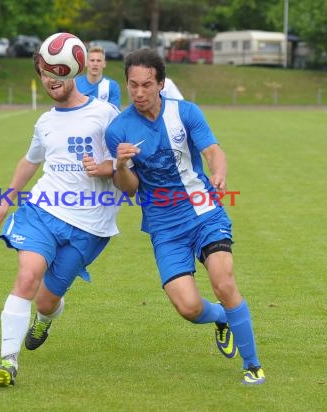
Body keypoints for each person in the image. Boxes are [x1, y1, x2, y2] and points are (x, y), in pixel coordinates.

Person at [104, 48, 265, 385]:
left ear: (161, 83)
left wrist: (219, 173)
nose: (138, 92)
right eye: (132, 85)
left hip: (203, 209)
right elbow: (130, 189)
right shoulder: (118, 129)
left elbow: (213, 151)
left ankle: (252, 365)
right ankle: (222, 319)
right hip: (164, 225)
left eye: (146, 84)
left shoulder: (186, 113)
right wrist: (119, 164)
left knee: (223, 281)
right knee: (188, 308)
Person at [0, 45, 120, 387]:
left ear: (72, 70)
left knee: (47, 299)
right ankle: (8, 362)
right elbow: (30, 161)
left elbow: (130, 161)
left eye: (56, 71)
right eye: (44, 73)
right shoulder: (45, 121)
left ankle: (45, 318)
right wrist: (4, 200)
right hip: (43, 210)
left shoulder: (106, 114)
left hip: (89, 224)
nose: (49, 79)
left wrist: (107, 167)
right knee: (28, 277)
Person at [75, 45, 122, 109]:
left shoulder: (112, 86)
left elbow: (114, 114)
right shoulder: (75, 84)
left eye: (99, 61)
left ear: (104, 64)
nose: (95, 64)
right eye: (92, 60)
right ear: (86, 63)